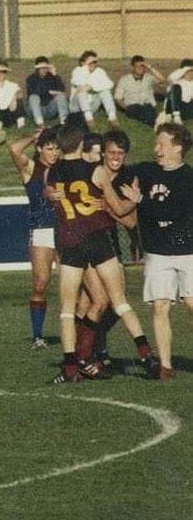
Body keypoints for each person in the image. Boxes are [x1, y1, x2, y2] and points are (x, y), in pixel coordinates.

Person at [44, 125, 157, 383]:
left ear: (60, 145)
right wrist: (136, 199)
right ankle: (145, 355)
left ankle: (71, 366)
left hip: (70, 241)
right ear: (83, 143)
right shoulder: (96, 171)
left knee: (67, 309)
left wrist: (50, 194)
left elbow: (48, 193)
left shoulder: (52, 172)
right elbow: (118, 208)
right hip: (97, 239)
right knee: (119, 301)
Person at [102, 123, 193, 378]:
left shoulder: (189, 178)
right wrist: (107, 165)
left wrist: (141, 200)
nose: (156, 149)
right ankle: (165, 365)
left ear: (177, 147)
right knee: (160, 306)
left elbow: (172, 212)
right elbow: (115, 176)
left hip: (188, 252)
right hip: (157, 252)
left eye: (162, 144)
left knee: (191, 303)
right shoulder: (146, 171)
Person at [8, 128, 61, 349]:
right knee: (40, 283)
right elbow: (13, 148)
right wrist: (34, 136)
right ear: (40, 149)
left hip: (68, 228)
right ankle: (38, 336)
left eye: (57, 149)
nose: (54, 153)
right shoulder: (31, 168)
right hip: (41, 229)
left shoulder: (64, 168)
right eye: (49, 149)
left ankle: (82, 332)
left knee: (76, 282)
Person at [70, 50, 118, 127]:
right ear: (83, 63)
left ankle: (112, 116)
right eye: (90, 62)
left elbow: (109, 84)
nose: (93, 64)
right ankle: (88, 118)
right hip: (77, 108)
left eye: (95, 62)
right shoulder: (77, 70)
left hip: (92, 105)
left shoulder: (100, 71)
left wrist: (91, 87)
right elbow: (78, 82)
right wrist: (86, 68)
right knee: (81, 89)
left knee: (105, 90)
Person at [113, 55, 164, 127]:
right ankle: (157, 122)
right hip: (133, 106)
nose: (141, 68)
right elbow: (118, 98)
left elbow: (162, 79)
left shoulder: (148, 77)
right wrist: (126, 108)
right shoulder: (124, 80)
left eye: (143, 66)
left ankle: (155, 122)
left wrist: (150, 67)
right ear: (132, 67)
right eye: (138, 66)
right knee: (137, 110)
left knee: (148, 110)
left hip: (147, 105)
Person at [25, 56, 69, 128]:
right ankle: (40, 123)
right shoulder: (31, 78)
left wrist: (55, 74)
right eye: (41, 67)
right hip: (36, 109)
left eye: (45, 67)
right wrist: (49, 91)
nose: (43, 69)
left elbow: (61, 89)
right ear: (37, 68)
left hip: (49, 108)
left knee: (61, 96)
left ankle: (64, 121)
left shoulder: (52, 77)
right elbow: (33, 92)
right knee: (33, 97)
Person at [161, 59, 193, 124]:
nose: (191, 73)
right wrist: (185, 68)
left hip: (187, 109)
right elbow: (170, 78)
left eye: (192, 70)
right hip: (175, 108)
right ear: (182, 71)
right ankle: (175, 116)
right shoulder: (177, 81)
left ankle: (175, 116)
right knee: (175, 87)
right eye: (188, 71)